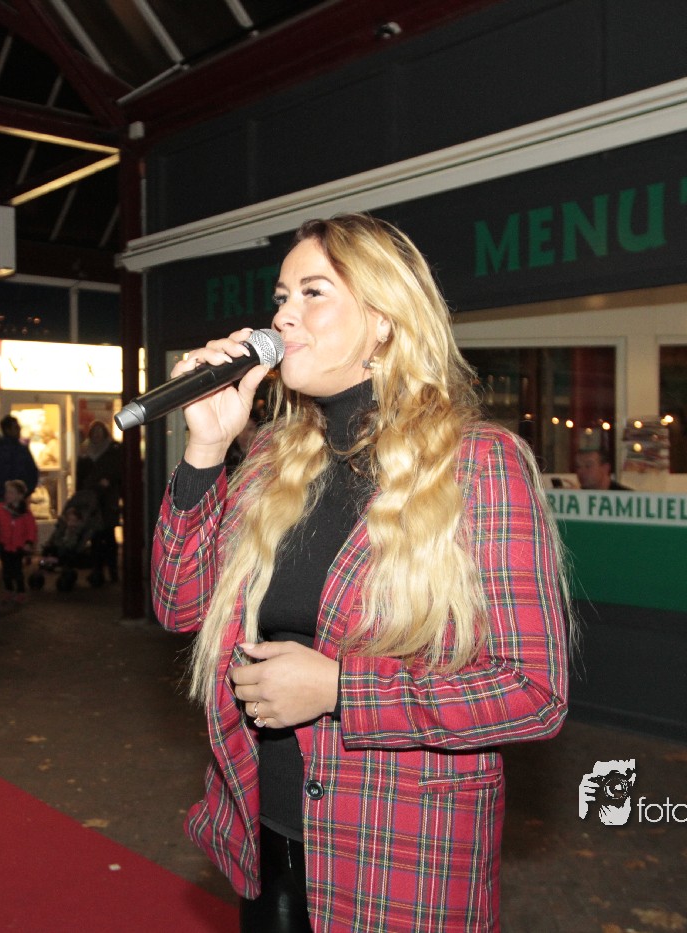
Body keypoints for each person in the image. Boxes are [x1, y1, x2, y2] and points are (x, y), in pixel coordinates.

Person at [151, 213, 571, 930]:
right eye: (281, 297)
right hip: (268, 837)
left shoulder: (478, 464)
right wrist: (205, 449)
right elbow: (178, 604)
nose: (284, 316)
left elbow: (533, 693)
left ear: (383, 319)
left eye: (313, 293)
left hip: (398, 857)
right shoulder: (274, 457)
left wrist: (339, 689)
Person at [0, 415, 40, 581]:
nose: (18, 430)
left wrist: (25, 490)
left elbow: (31, 472)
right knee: (3, 530)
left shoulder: (10, 449)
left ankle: (1, 563)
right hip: (4, 495)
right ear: (8, 429)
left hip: (10, 495)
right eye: (15, 427)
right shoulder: (5, 449)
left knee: (8, 529)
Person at [75, 421, 122, 585]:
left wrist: (109, 481)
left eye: (99, 431)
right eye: (94, 431)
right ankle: (98, 571)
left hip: (108, 499)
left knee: (108, 535)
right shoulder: (85, 452)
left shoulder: (113, 450)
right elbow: (80, 476)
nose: (96, 434)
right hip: (91, 498)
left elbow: (119, 472)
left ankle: (112, 570)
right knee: (95, 535)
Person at [0, 479, 37, 604]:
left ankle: (21, 591)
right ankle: (9, 590)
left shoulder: (25, 513)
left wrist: (29, 542)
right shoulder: (1, 508)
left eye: (11, 492)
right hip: (4, 545)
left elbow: (31, 529)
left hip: (18, 546)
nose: (7, 495)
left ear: (20, 496)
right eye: (7, 492)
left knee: (17, 570)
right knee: (6, 570)